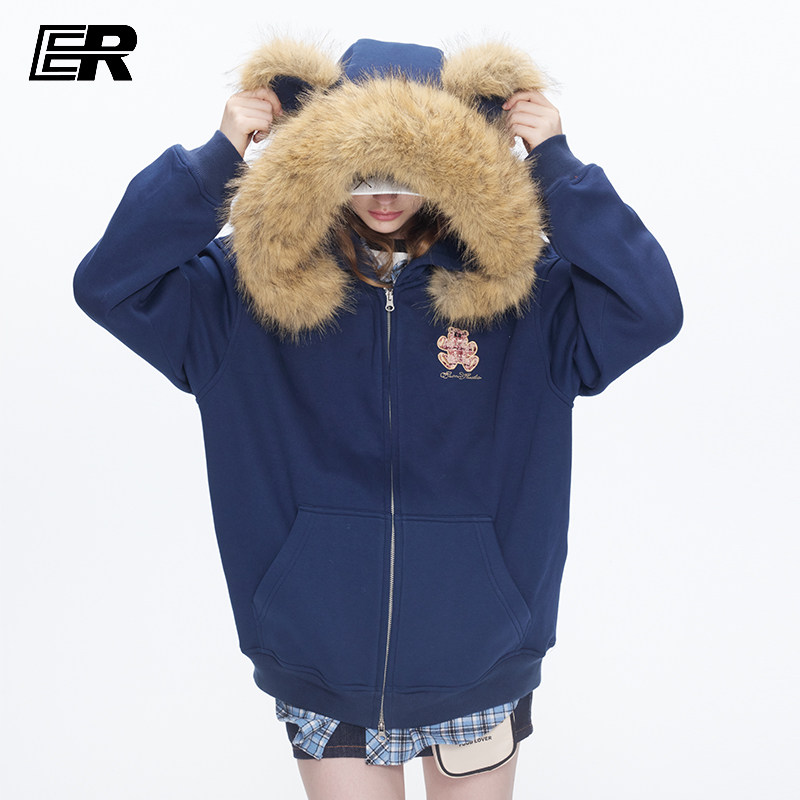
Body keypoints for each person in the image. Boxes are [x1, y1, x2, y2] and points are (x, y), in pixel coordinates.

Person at [73, 38, 682, 800]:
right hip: (322, 661)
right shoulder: (245, 290)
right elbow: (109, 284)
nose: (385, 198)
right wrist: (215, 162)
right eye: (363, 171)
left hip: (481, 660)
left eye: (409, 171)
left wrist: (556, 168)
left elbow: (651, 308)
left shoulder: (521, 292)